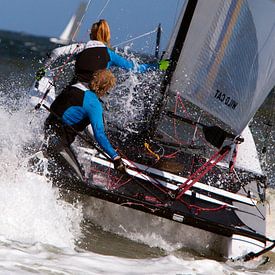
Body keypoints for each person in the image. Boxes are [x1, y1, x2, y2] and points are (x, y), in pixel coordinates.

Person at [44, 69, 125, 182]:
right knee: (79, 179)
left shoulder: (74, 86)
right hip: (58, 144)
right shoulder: (93, 104)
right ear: (105, 88)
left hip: (47, 133)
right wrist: (115, 157)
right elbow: (99, 134)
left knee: (78, 168)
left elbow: (53, 108)